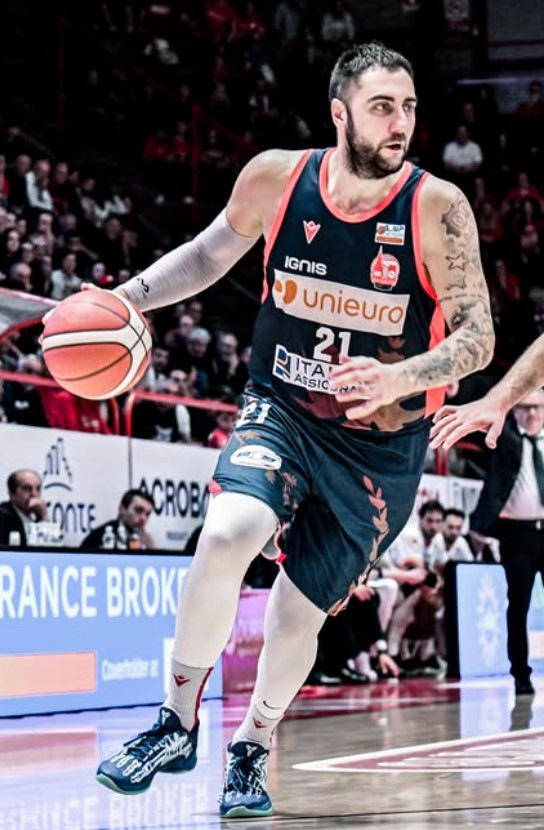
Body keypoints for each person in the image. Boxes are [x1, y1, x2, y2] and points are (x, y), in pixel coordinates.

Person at [91, 42, 494, 816]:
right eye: (382, 107)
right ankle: (175, 722)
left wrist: (400, 376)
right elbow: (209, 253)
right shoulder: (277, 178)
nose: (400, 123)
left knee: (294, 613)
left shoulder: (436, 206)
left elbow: (479, 338)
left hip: (380, 446)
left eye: (409, 108)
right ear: (340, 113)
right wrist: (127, 299)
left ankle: (252, 744)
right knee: (226, 532)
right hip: (282, 406)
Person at [455, 390, 544, 696]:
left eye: (537, 408)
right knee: (517, 605)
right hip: (516, 535)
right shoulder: (504, 438)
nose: (531, 414)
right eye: (525, 408)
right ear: (514, 411)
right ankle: (520, 674)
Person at [80, 488, 156, 550]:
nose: (143, 518)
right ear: (121, 509)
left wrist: (151, 551)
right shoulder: (105, 536)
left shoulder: (144, 539)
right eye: (138, 510)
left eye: (147, 514)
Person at [0, 469, 57, 547]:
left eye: (38, 489)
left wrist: (43, 517)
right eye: (27, 489)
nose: (34, 494)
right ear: (11, 493)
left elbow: (50, 550)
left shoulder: (35, 517)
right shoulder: (3, 517)